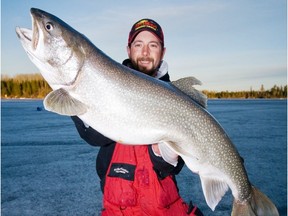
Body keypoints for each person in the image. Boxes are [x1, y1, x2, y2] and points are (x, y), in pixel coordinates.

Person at [71, 18, 203, 216]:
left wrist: (163, 155)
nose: (145, 52)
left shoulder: (178, 98)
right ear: (128, 49)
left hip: (163, 207)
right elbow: (93, 136)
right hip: (116, 207)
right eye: (138, 44)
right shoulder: (106, 84)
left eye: (153, 45)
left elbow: (175, 166)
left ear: (163, 51)